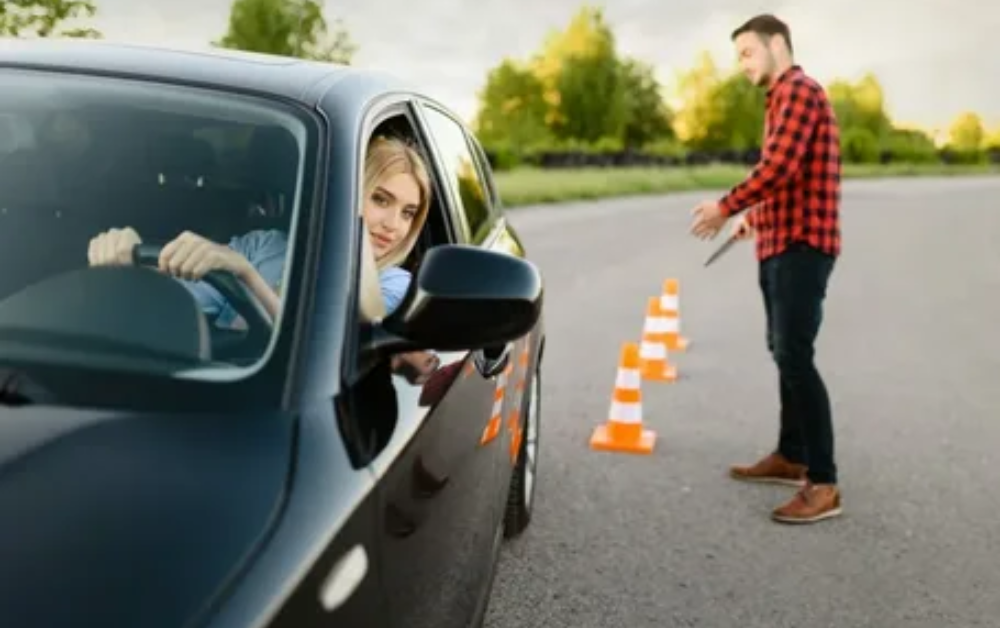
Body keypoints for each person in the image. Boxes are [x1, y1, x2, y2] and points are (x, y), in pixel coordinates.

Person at [689, 14, 843, 524]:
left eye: (748, 53)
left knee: (795, 355)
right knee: (784, 352)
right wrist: (754, 217)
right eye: (739, 57)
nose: (743, 65)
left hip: (803, 246)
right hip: (780, 241)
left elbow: (778, 168)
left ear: (778, 44)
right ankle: (790, 453)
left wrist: (726, 206)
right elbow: (786, 181)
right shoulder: (779, 99)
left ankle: (823, 483)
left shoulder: (798, 90)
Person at [87, 135, 432, 326]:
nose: (393, 225)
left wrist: (247, 275)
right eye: (380, 199)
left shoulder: (395, 284)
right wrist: (129, 267)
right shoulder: (265, 245)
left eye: (408, 213)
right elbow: (178, 301)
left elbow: (367, 320)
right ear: (349, 191)